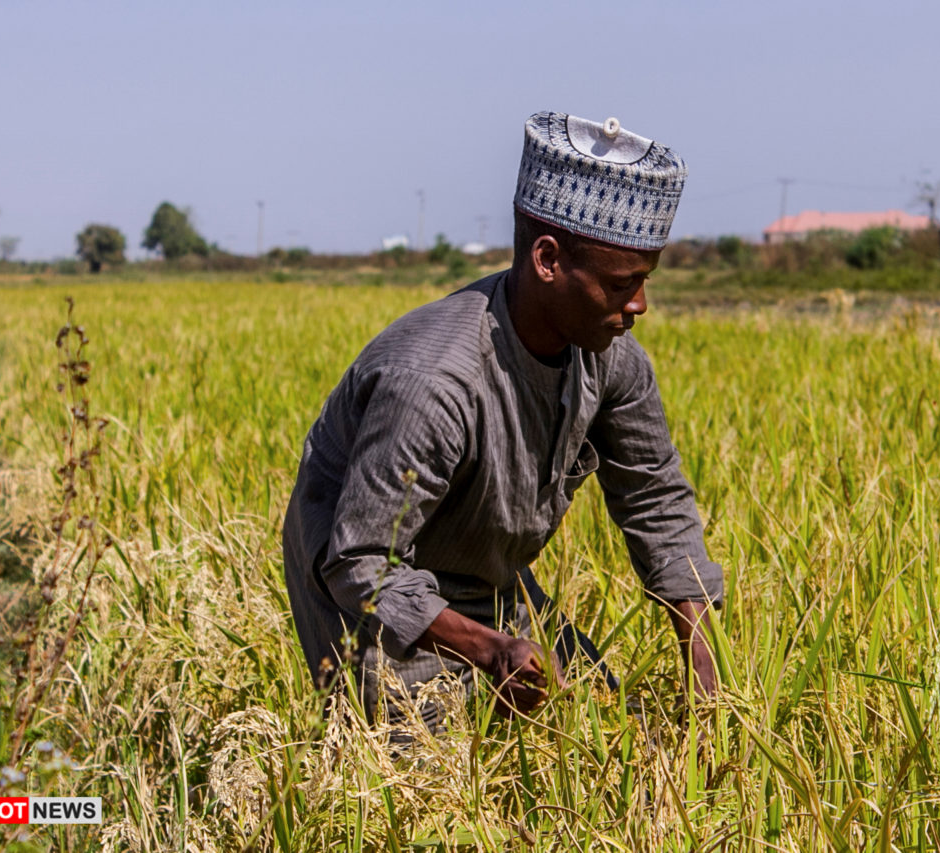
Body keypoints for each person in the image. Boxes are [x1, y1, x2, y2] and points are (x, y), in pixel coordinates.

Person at [282, 111, 722, 728]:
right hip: (364, 590)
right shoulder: (435, 382)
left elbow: (655, 497)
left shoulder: (612, 357)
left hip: (487, 578)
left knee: (596, 729)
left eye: (646, 280)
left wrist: (703, 663)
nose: (641, 305)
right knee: (429, 781)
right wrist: (492, 651)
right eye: (623, 283)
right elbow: (363, 564)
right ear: (547, 260)